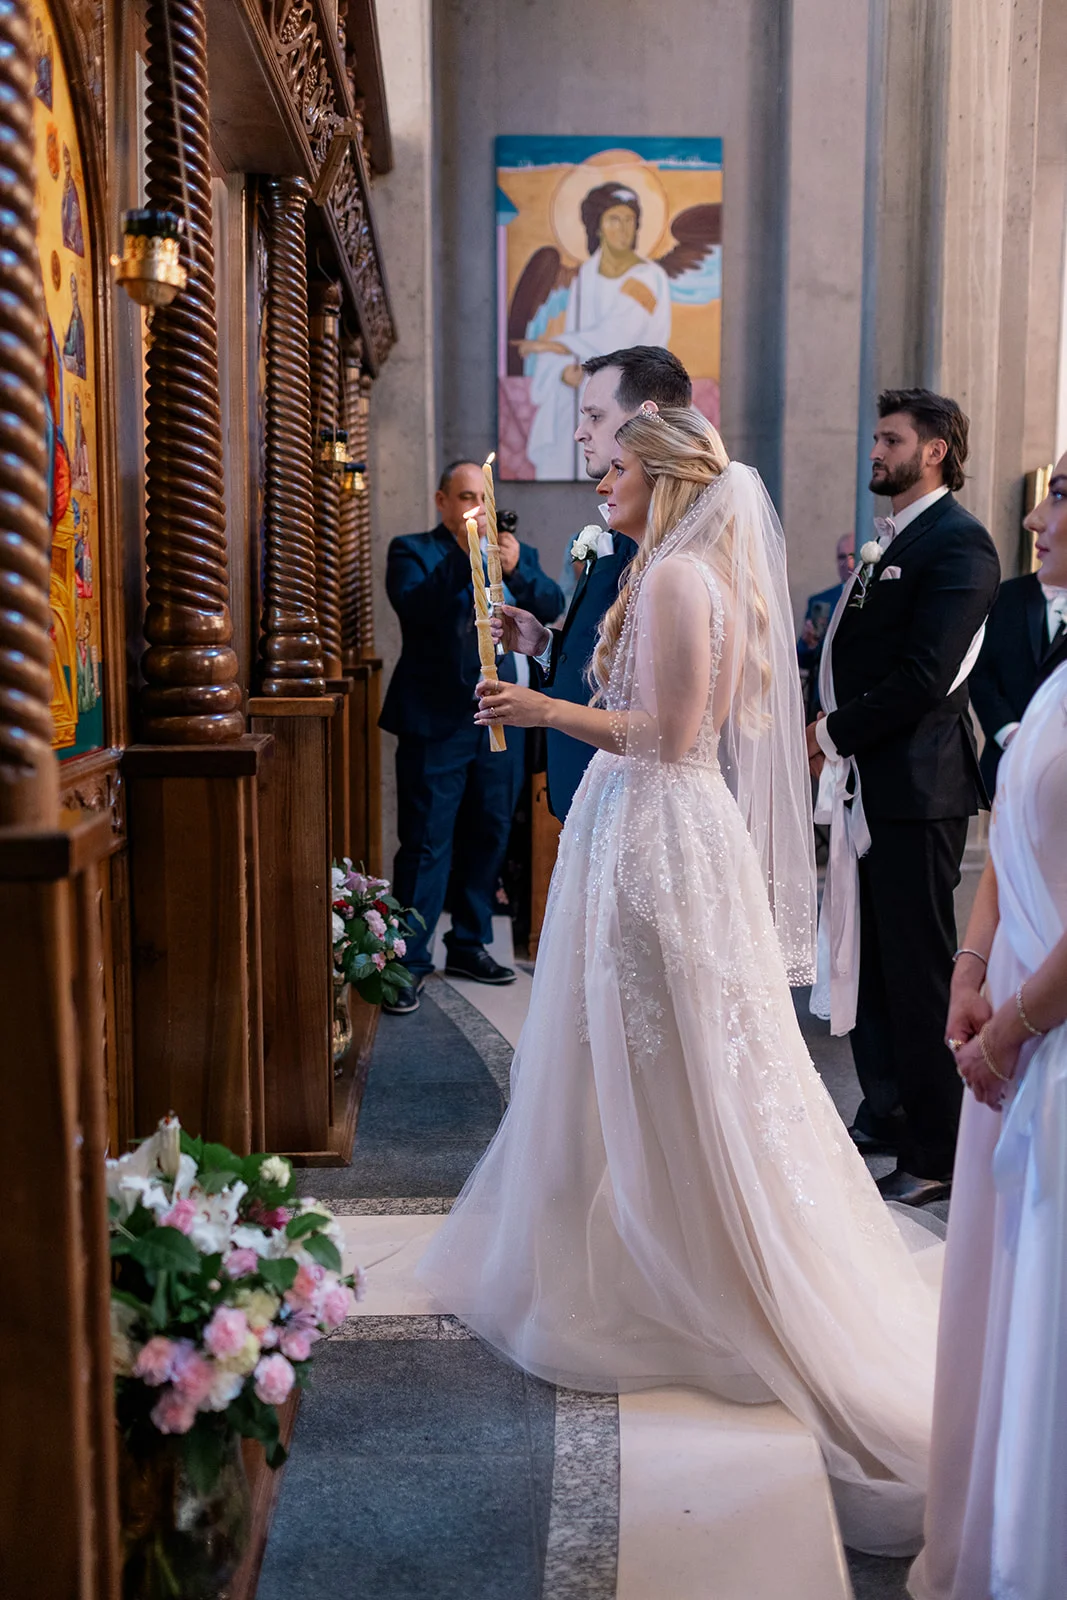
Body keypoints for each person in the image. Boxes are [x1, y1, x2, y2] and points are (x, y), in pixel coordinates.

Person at [419, 408, 942, 1558]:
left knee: (672, 1058)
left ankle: (688, 1262)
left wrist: (538, 706)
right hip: (644, 829)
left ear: (659, 476)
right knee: (631, 1053)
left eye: (608, 470)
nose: (594, 486)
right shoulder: (672, 570)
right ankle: (629, 1233)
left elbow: (666, 732)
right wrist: (540, 637)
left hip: (656, 832)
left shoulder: (677, 579)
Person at [908, 455, 1067, 1600]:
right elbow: (1010, 828)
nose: (1033, 515)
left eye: (1057, 501)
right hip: (1006, 1004)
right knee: (1000, 1288)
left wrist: (1009, 1028)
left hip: (1042, 1031)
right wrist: (968, 970)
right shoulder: (1056, 669)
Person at [808, 389, 1000, 1207]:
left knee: (916, 971)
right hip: (874, 784)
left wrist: (830, 732)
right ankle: (886, 1111)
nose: (874, 450)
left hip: (917, 788)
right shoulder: (899, 539)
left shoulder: (958, 545)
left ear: (933, 450)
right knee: (876, 966)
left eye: (888, 439)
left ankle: (939, 1145)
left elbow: (925, 678)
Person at [379, 460, 563, 1014]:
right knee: (428, 841)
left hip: (496, 718)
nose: (473, 508)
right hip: (435, 721)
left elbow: (551, 608)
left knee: (490, 833)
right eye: (463, 497)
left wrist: (515, 569)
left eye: (481, 497)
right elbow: (417, 609)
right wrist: (466, 555)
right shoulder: (413, 550)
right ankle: (407, 960)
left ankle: (468, 943)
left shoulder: (515, 552)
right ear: (442, 502)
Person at [494, 344, 691, 820]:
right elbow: (618, 666)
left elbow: (670, 717)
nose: (580, 432)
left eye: (595, 416)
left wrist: (543, 709)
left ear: (647, 420)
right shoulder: (622, 529)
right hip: (592, 805)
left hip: (635, 808)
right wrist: (545, 646)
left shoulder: (678, 551)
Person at [516, 185, 673, 480]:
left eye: (630, 220)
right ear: (597, 226)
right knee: (565, 407)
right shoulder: (587, 274)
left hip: (633, 386)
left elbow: (618, 333)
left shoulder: (647, 277)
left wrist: (555, 346)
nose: (624, 228)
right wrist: (564, 369)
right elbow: (580, 333)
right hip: (588, 381)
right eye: (614, 219)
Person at [970, 569, 1067, 795]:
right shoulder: (1007, 595)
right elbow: (980, 673)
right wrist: (1011, 735)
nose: (1036, 531)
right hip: (1004, 761)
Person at [797, 533, 855, 718]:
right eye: (841, 557)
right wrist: (809, 643)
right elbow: (801, 660)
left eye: (852, 555)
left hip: (856, 697)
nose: (847, 563)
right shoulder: (820, 601)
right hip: (820, 699)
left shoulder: (877, 596)